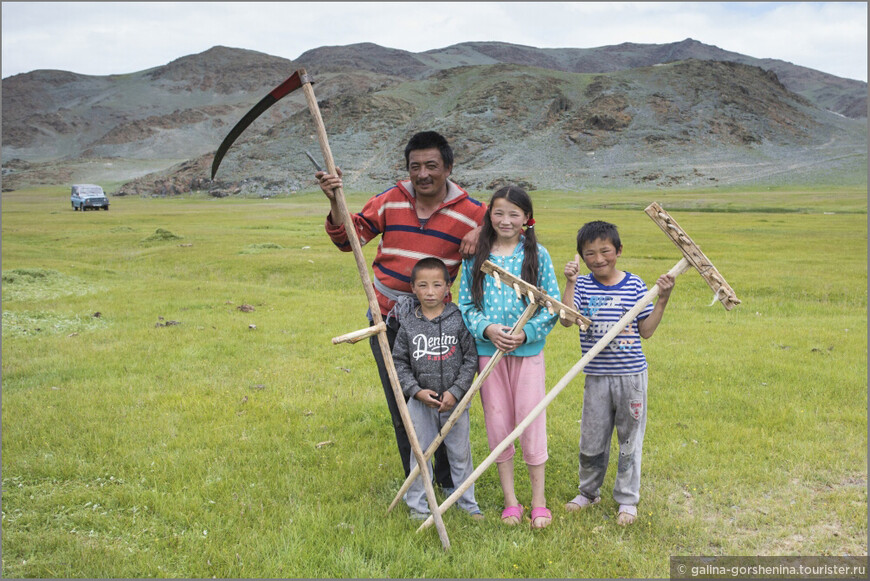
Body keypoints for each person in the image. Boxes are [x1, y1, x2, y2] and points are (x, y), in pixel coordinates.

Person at [317, 131, 486, 492]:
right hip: (386, 320)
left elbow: (517, 226)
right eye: (415, 167)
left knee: (440, 397)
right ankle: (418, 477)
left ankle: (447, 479)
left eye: (431, 166)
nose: (423, 174)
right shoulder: (391, 199)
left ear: (449, 168)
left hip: (437, 323)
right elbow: (350, 237)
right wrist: (335, 201)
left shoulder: (473, 212)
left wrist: (484, 230)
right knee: (403, 402)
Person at [457, 185, 560, 529]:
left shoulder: (538, 255)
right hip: (489, 355)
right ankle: (511, 501)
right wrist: (487, 330)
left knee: (531, 422)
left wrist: (526, 334)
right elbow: (467, 306)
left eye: (514, 214)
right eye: (499, 213)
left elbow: (551, 306)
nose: (506, 220)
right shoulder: (476, 257)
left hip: (527, 355)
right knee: (498, 425)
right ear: (489, 215)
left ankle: (539, 501)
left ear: (527, 219)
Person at [561, 220, 675, 526]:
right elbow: (567, 321)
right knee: (592, 439)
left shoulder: (636, 285)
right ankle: (588, 492)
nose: (598, 259)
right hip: (597, 376)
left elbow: (646, 331)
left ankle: (627, 498)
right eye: (589, 253)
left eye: (605, 251)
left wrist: (662, 299)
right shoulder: (583, 285)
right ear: (581, 256)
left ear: (619, 250)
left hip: (631, 378)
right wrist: (570, 282)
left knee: (629, 440)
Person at [391, 257, 483, 521]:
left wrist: (456, 391)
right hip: (421, 403)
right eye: (423, 285)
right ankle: (419, 507)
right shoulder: (408, 322)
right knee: (419, 455)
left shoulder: (459, 318)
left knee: (459, 454)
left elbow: (470, 359)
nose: (430, 292)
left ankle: (467, 503)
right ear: (413, 288)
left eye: (436, 285)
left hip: (455, 402)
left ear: (448, 286)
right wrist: (415, 391)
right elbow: (399, 361)